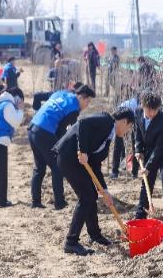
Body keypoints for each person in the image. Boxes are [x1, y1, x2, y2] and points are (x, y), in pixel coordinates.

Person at [55, 108, 129, 254]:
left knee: (91, 195)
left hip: (78, 162)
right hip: (68, 157)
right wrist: (82, 150)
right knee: (87, 196)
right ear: (125, 121)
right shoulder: (106, 120)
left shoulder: (108, 137)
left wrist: (104, 191)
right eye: (129, 127)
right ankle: (71, 242)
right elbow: (83, 123)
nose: (128, 131)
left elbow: (95, 164)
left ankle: (95, 234)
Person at [28, 84, 94, 210]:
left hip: (32, 128)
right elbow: (62, 131)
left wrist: (36, 107)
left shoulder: (61, 93)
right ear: (81, 97)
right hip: (44, 132)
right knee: (57, 166)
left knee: (39, 167)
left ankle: (35, 201)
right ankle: (59, 202)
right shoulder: (73, 109)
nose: (88, 105)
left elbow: (40, 96)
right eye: (88, 101)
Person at [133, 92, 163, 223]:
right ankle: (140, 214)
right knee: (146, 181)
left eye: (155, 110)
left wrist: (148, 166)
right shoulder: (138, 112)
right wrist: (138, 149)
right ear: (143, 106)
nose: (152, 113)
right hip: (149, 150)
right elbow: (138, 133)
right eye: (149, 110)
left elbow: (160, 147)